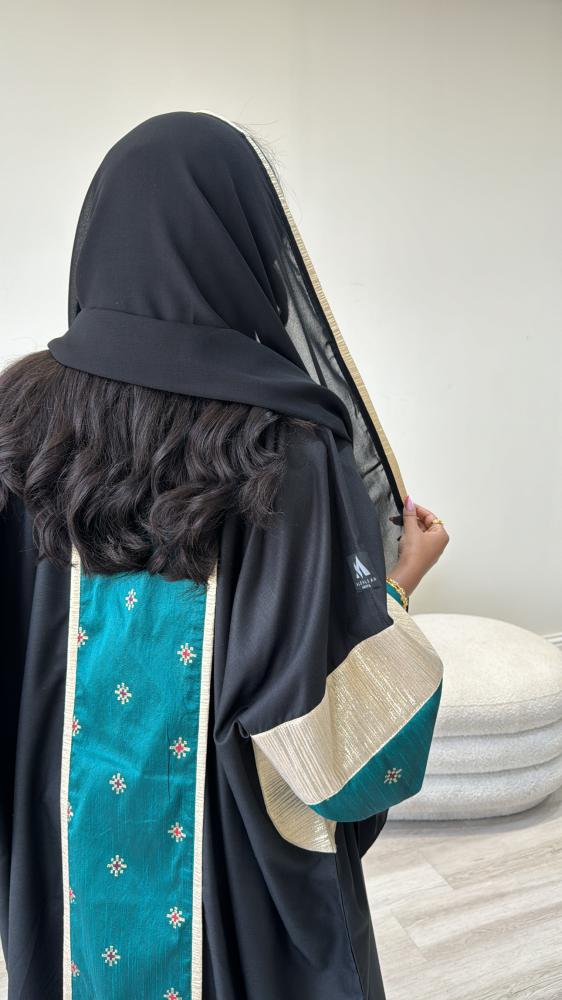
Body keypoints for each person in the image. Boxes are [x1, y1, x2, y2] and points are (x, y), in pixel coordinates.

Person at [0, 111, 449, 1000]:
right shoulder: (290, 445)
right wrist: (400, 582)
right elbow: (327, 737)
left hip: (62, 864)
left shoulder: (17, 416)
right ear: (244, 246)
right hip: (236, 890)